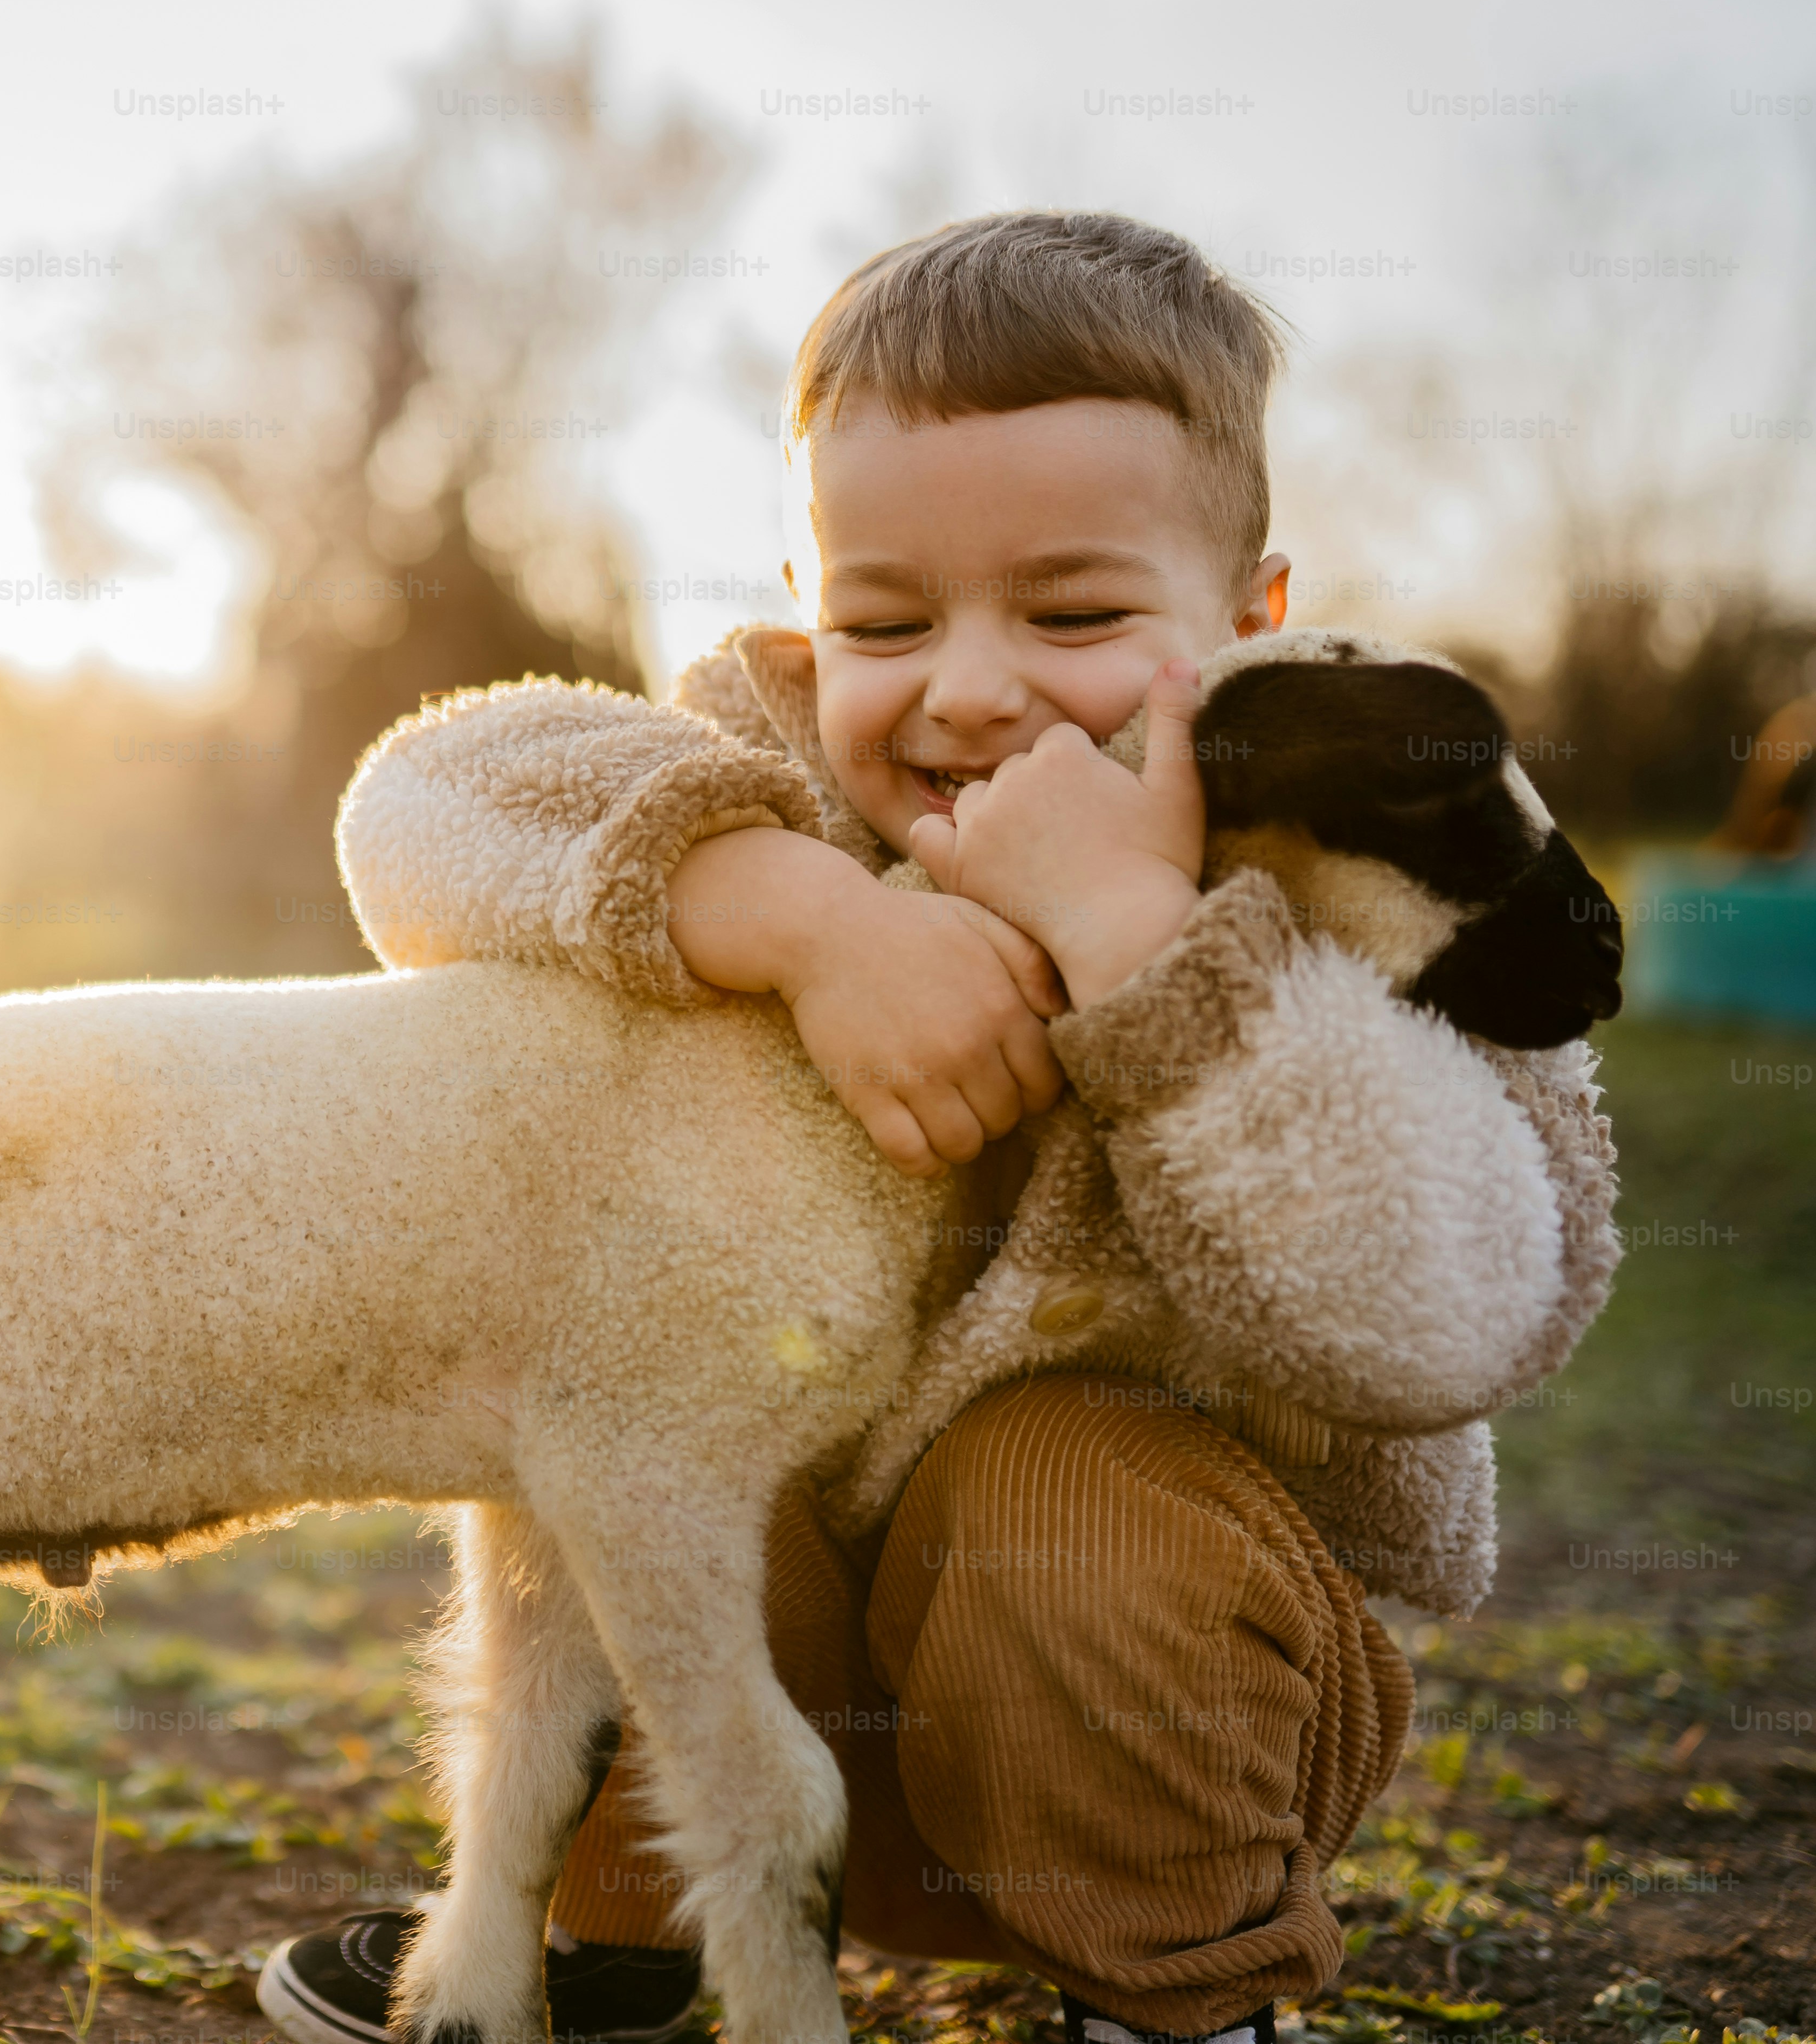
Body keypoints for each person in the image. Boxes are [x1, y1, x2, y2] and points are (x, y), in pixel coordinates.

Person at [252, 211, 1617, 2044]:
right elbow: (425, 798)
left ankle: (1179, 2004)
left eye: (1073, 615)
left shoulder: (1368, 869)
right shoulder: (782, 792)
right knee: (624, 1424)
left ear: (1250, 623)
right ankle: (611, 1942)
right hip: (772, 1735)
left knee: (1052, 1484)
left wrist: (1149, 956)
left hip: (1157, 1731)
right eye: (886, 618)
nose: (968, 688)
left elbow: (1444, 1313)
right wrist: (802, 917)